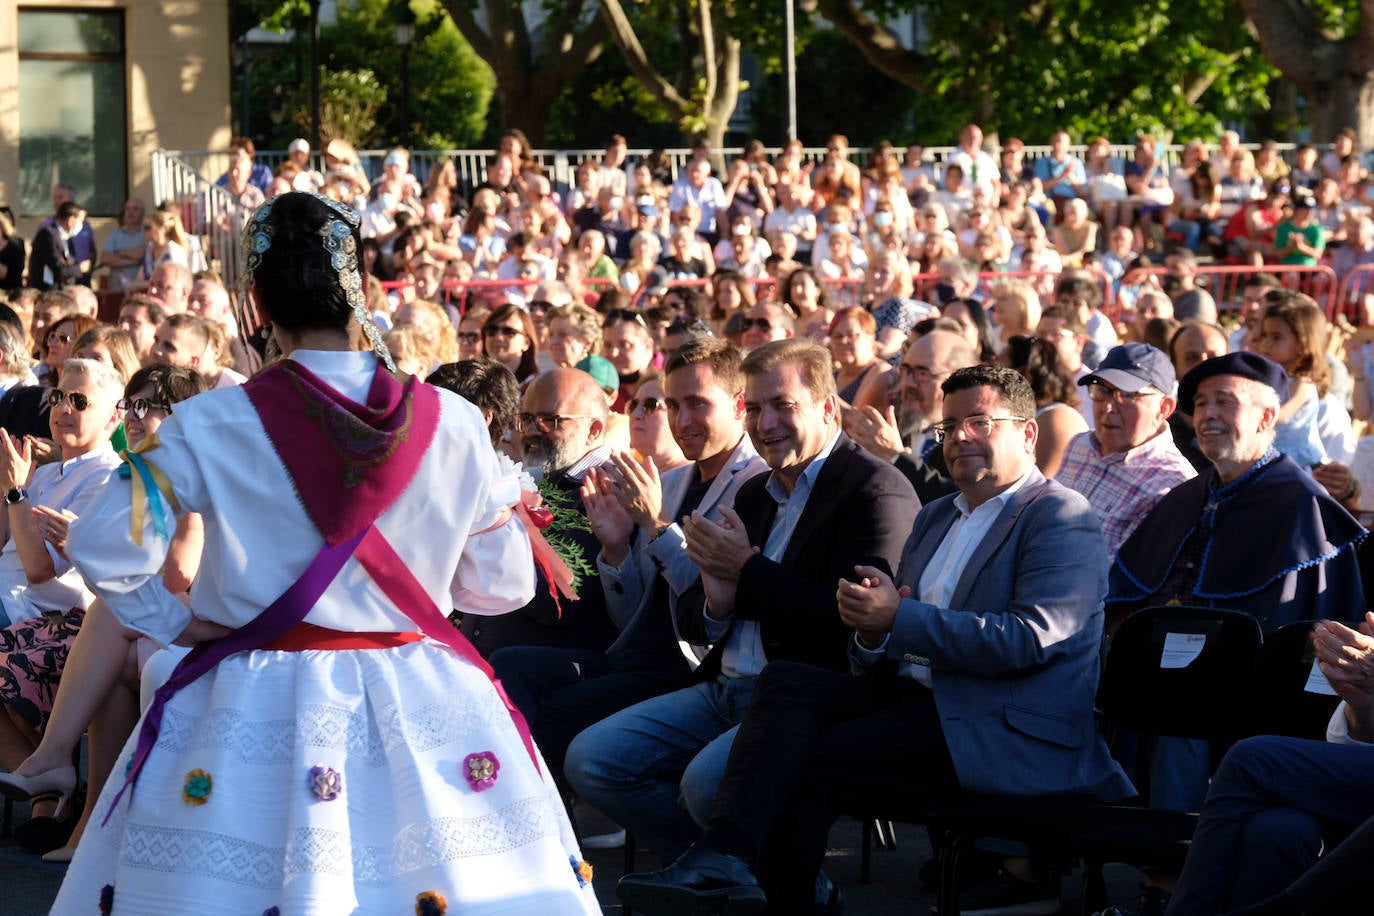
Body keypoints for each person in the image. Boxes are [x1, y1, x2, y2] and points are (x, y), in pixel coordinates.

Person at [48, 192, 599, 913]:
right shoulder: (455, 421)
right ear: (362, 292)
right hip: (422, 698)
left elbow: (99, 541)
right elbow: (501, 589)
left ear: (256, 304)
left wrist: (176, 623)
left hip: (256, 697)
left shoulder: (208, 421)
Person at [616, 364, 1133, 916]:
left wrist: (897, 619)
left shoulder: (1059, 516)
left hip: (999, 723)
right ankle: (728, 858)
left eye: (979, 422)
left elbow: (1031, 640)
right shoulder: (938, 516)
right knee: (788, 682)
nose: (959, 438)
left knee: (805, 760)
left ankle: (761, 887)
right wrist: (869, 632)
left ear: (1027, 433)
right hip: (924, 704)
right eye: (949, 426)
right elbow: (887, 641)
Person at [564, 339, 919, 868]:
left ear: (826, 407)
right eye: (755, 408)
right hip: (721, 687)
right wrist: (718, 603)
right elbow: (700, 618)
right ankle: (715, 875)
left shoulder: (874, 489)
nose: (765, 422)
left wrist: (744, 573)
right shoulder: (757, 494)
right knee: (593, 761)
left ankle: (756, 882)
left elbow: (850, 621)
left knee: (706, 787)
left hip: (799, 701)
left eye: (783, 405)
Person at [0, 364, 209, 863]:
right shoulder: (133, 477)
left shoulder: (185, 477)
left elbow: (176, 575)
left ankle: (54, 774)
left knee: (111, 620)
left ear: (182, 418)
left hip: (187, 625)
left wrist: (89, 549)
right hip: (139, 624)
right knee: (115, 653)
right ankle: (87, 825)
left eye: (145, 407)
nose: (133, 418)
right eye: (131, 406)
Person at [1056, 343, 1196, 560]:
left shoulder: (1172, 485)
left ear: (1164, 408)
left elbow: (1120, 581)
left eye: (1127, 395)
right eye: (1102, 391)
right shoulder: (1080, 445)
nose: (1108, 407)